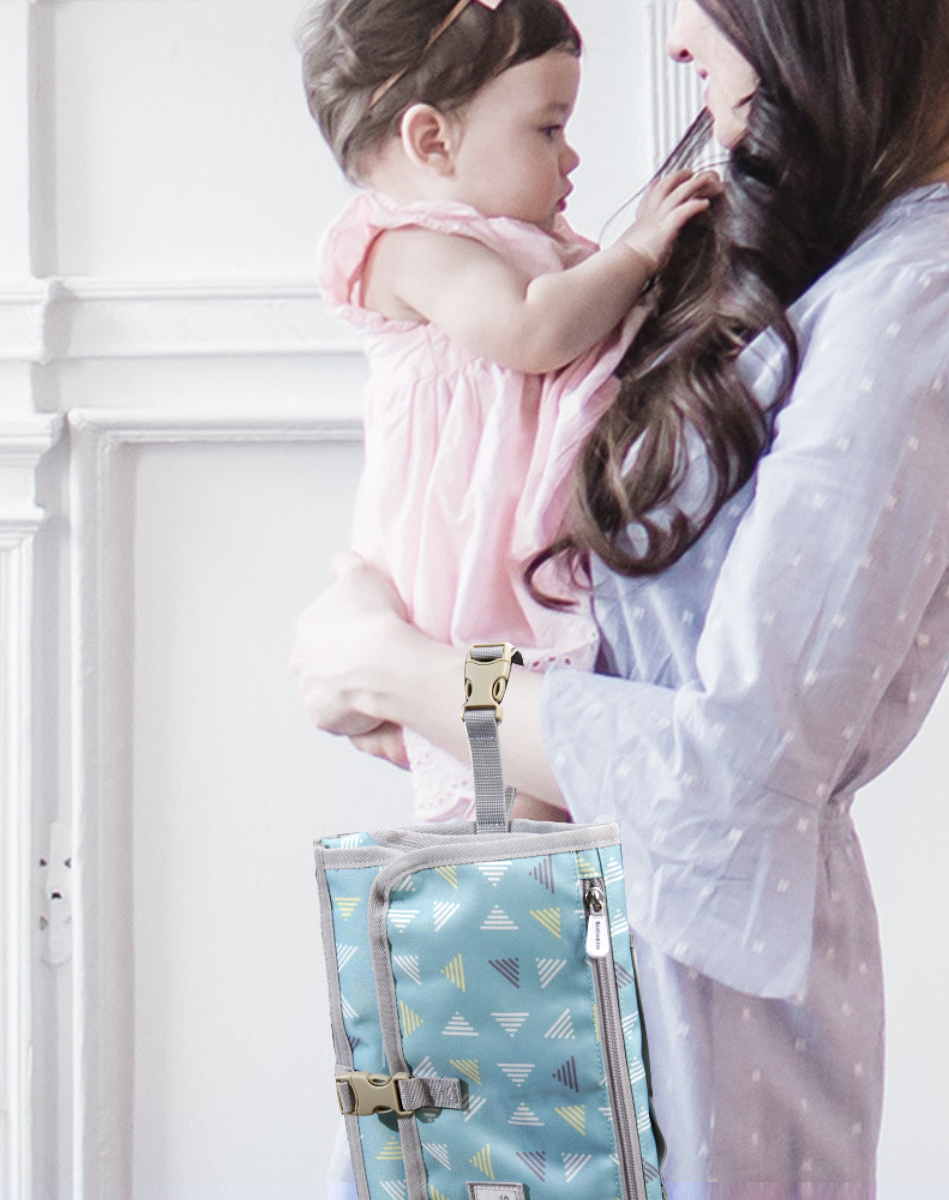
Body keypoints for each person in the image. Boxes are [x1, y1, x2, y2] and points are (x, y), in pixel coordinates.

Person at [293, 0, 949, 1191]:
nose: (676, 40)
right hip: (566, 962)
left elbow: (729, 773)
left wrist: (400, 671)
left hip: (672, 1017)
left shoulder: (929, 301)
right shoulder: (867, 242)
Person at [300, 0, 717, 822]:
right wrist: (637, 250)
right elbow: (532, 333)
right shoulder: (412, 245)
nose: (572, 156)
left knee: (553, 777)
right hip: (464, 557)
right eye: (547, 129)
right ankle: (501, 938)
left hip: (516, 545)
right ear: (431, 141)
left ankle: (535, 928)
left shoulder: (518, 243)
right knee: (513, 785)